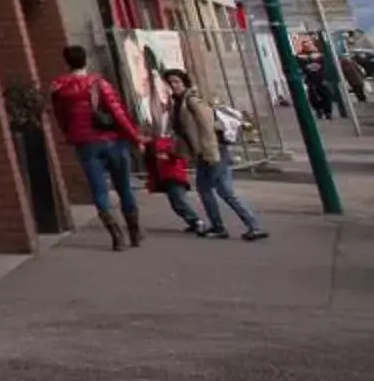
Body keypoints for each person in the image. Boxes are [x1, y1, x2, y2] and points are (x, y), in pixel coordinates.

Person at [49, 43, 144, 249]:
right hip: (111, 140)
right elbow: (118, 113)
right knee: (124, 187)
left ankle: (117, 237)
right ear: (86, 60)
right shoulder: (99, 84)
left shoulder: (59, 89)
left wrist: (70, 134)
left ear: (67, 63)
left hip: (85, 143)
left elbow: (60, 117)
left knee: (99, 190)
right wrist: (135, 137)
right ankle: (134, 232)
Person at [164, 68, 268, 241]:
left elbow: (206, 128)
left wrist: (211, 154)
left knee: (220, 190)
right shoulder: (179, 102)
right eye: (170, 82)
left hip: (213, 150)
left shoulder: (192, 101)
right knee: (215, 190)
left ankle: (234, 226)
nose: (173, 85)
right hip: (206, 152)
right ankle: (246, 226)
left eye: (176, 81)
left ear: (185, 83)